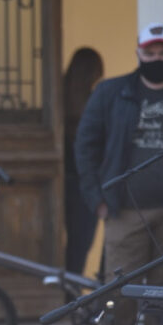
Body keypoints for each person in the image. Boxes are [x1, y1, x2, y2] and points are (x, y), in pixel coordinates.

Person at [75, 23, 163, 325]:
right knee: (119, 293)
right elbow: (85, 146)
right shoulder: (110, 93)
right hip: (124, 213)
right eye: (150, 53)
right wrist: (97, 199)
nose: (157, 58)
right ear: (138, 53)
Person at [63, 47, 104, 275]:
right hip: (85, 184)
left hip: (61, 180)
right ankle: (73, 291)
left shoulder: (57, 100)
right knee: (80, 246)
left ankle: (64, 289)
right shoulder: (93, 103)